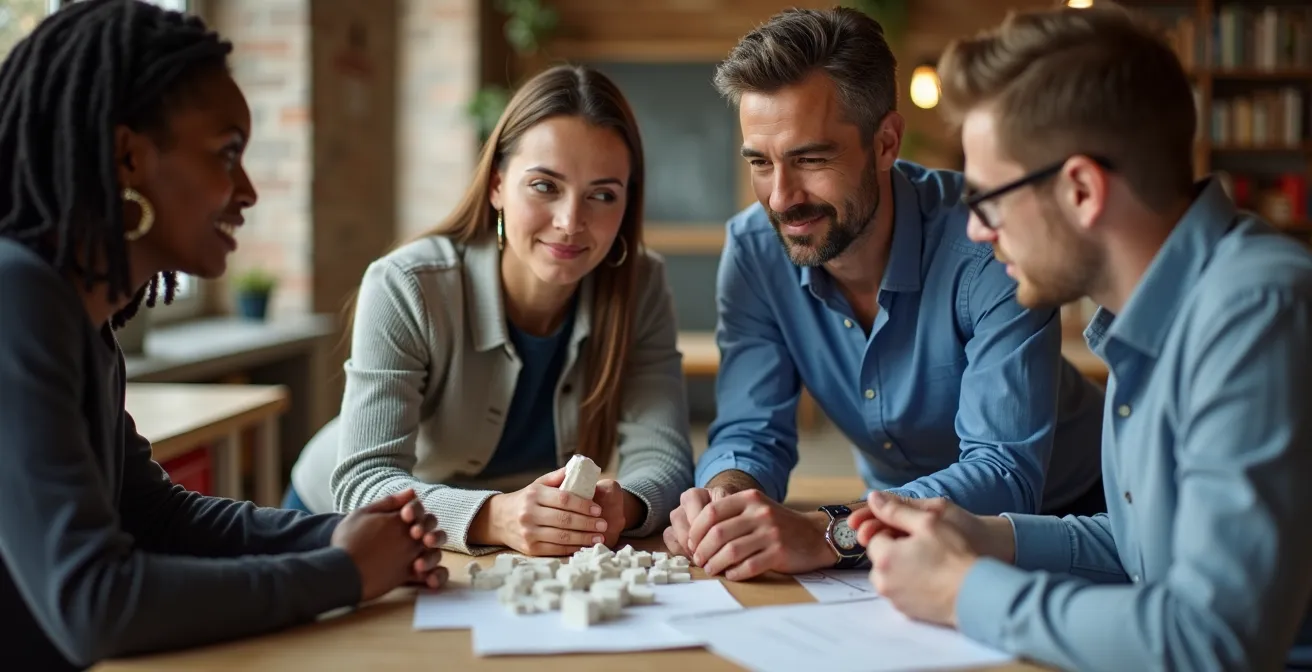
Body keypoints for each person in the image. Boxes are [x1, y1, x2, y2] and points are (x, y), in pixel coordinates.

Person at [848, 5, 1312, 671]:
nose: (976, 230)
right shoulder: (1152, 308)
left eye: (988, 199)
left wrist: (963, 592)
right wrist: (988, 537)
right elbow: (1146, 550)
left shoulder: (1255, 313)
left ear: (1082, 191)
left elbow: (1213, 641)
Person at [0, 2, 448, 671]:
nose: (248, 190)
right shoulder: (17, 298)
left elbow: (157, 518)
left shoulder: (82, 323)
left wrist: (343, 536)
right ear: (128, 157)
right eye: (227, 153)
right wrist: (344, 572)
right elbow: (95, 603)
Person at [663, 6, 1106, 581]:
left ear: (885, 143)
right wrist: (726, 495)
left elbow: (1004, 473)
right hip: (888, 535)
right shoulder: (754, 252)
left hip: (1074, 521)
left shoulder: (990, 244)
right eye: (761, 163)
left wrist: (831, 531)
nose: (780, 198)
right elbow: (751, 429)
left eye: (810, 159)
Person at [286, 64, 695, 557]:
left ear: (627, 205)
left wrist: (623, 505)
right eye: (545, 186)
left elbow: (665, 457)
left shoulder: (640, 286)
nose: (570, 221)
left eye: (603, 195)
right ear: (497, 184)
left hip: (505, 542)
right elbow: (364, 481)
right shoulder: (407, 284)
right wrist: (494, 516)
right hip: (338, 524)